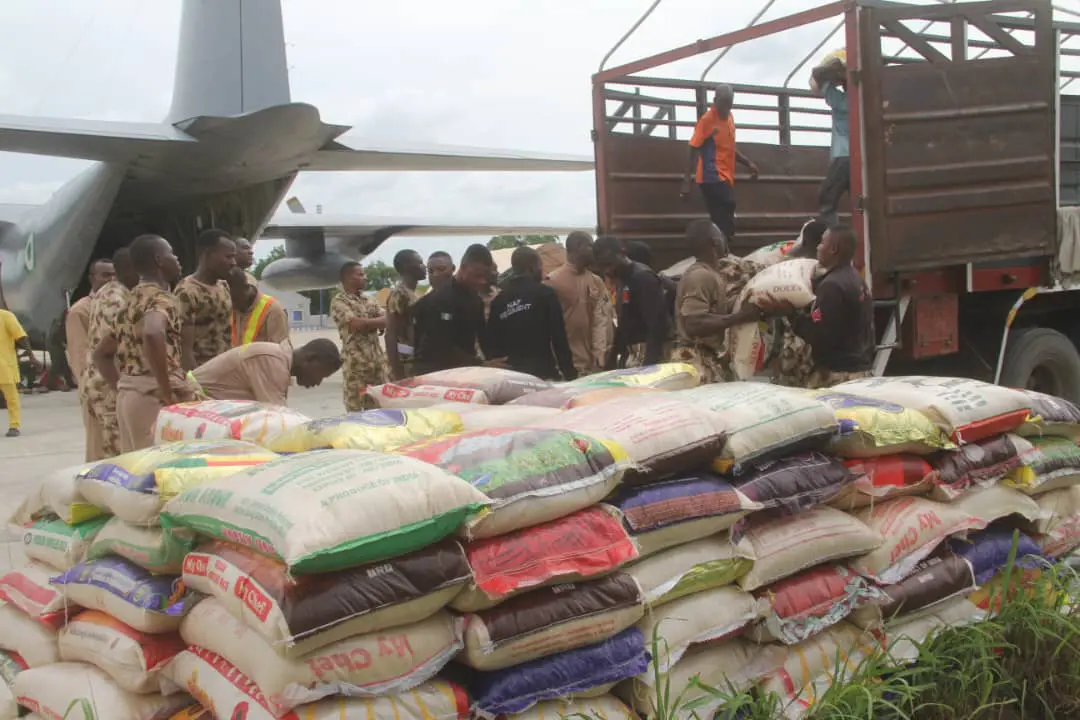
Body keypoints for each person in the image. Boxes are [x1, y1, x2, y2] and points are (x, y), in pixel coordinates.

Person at [95, 234, 193, 452]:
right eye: (172, 254)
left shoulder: (129, 302)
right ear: (159, 259)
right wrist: (166, 390)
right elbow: (152, 332)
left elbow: (101, 354)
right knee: (157, 470)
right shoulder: (161, 298)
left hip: (129, 397)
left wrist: (123, 387)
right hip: (152, 396)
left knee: (136, 471)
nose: (177, 259)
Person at [763, 225, 873, 388]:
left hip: (837, 376)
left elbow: (819, 335)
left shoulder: (832, 286)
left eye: (822, 243)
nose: (818, 247)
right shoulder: (855, 278)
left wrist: (791, 314)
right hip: (859, 370)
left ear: (833, 249)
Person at [670, 220, 765, 383]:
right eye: (721, 235)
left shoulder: (711, 274)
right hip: (695, 362)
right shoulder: (700, 276)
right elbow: (693, 323)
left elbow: (713, 311)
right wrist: (740, 317)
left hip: (707, 358)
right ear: (714, 241)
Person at [679, 84, 760, 240]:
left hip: (725, 176)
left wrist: (747, 163)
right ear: (715, 100)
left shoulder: (730, 118)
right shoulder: (707, 121)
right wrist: (687, 181)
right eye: (724, 104)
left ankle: (722, 249)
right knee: (727, 207)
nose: (726, 109)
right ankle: (723, 250)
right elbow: (692, 148)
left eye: (730, 105)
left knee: (723, 218)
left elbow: (728, 148)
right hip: (711, 176)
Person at [484, 246, 577, 381]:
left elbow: (492, 343)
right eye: (540, 266)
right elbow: (559, 338)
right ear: (532, 267)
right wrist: (570, 374)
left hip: (511, 376)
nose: (542, 271)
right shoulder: (545, 294)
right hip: (542, 373)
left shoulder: (498, 301)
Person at [412, 244, 506, 374]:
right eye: (477, 276)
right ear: (462, 268)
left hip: (462, 369)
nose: (482, 281)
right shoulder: (441, 298)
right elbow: (439, 344)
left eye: (485, 277)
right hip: (434, 371)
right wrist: (481, 364)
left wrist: (496, 360)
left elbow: (484, 336)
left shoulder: (475, 299)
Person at [82, 247, 138, 459]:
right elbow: (109, 348)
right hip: (108, 383)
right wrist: (121, 389)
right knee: (116, 450)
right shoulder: (116, 298)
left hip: (102, 381)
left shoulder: (108, 292)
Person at [189, 339, 341, 405]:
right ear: (310, 359)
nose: (318, 383)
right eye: (321, 375)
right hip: (191, 400)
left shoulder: (278, 360)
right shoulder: (272, 362)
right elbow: (277, 418)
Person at [594, 236, 669, 369]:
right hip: (633, 356)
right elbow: (624, 323)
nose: (607, 271)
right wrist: (611, 360)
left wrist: (649, 367)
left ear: (622, 253)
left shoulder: (643, 278)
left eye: (610, 264)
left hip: (647, 357)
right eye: (602, 267)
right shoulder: (624, 279)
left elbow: (657, 326)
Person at [544, 231, 612, 376]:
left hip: (594, 366)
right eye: (590, 246)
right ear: (578, 247)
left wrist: (600, 358)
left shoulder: (596, 282)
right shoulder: (552, 282)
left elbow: (601, 321)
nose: (594, 251)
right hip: (568, 366)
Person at [175, 228, 236, 369]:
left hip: (226, 370)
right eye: (228, 257)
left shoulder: (223, 286)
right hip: (203, 373)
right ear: (208, 254)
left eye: (234, 257)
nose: (233, 262)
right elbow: (185, 350)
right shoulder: (187, 292)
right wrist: (197, 385)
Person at [330, 262, 387, 411]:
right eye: (360, 274)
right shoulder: (339, 301)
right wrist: (376, 323)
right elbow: (355, 324)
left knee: (378, 407)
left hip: (376, 364)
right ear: (348, 278)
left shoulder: (368, 299)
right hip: (356, 366)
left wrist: (371, 323)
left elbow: (387, 319)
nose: (365, 278)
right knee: (355, 410)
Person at [811, 55, 850, 227]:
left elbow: (815, 83)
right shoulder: (863, 101)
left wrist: (833, 77)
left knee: (826, 199)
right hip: (860, 156)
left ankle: (833, 238)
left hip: (843, 157)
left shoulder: (840, 100)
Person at [385, 249, 426, 381]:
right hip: (404, 364)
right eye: (420, 263)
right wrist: (397, 372)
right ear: (406, 267)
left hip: (413, 361)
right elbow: (391, 333)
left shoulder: (413, 294)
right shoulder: (399, 294)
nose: (424, 266)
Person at [0, 307, 42, 437]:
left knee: (11, 398)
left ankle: (14, 425)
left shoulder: (6, 316)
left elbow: (21, 337)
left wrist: (31, 356)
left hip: (4, 366)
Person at [226, 267, 289, 346]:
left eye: (234, 299)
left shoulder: (273, 310)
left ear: (247, 288)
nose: (231, 304)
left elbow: (280, 351)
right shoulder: (232, 308)